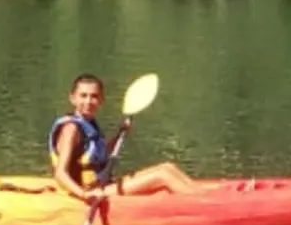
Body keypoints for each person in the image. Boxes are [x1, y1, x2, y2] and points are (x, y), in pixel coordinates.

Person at [48, 73, 200, 204]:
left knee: (168, 168)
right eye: (83, 96)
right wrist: (84, 195)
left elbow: (96, 156)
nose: (88, 101)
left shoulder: (88, 124)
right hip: (86, 193)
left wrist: (120, 134)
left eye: (94, 96)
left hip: (102, 186)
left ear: (101, 100)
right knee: (162, 176)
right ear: (72, 98)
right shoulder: (70, 129)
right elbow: (60, 173)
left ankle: (206, 198)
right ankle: (204, 206)